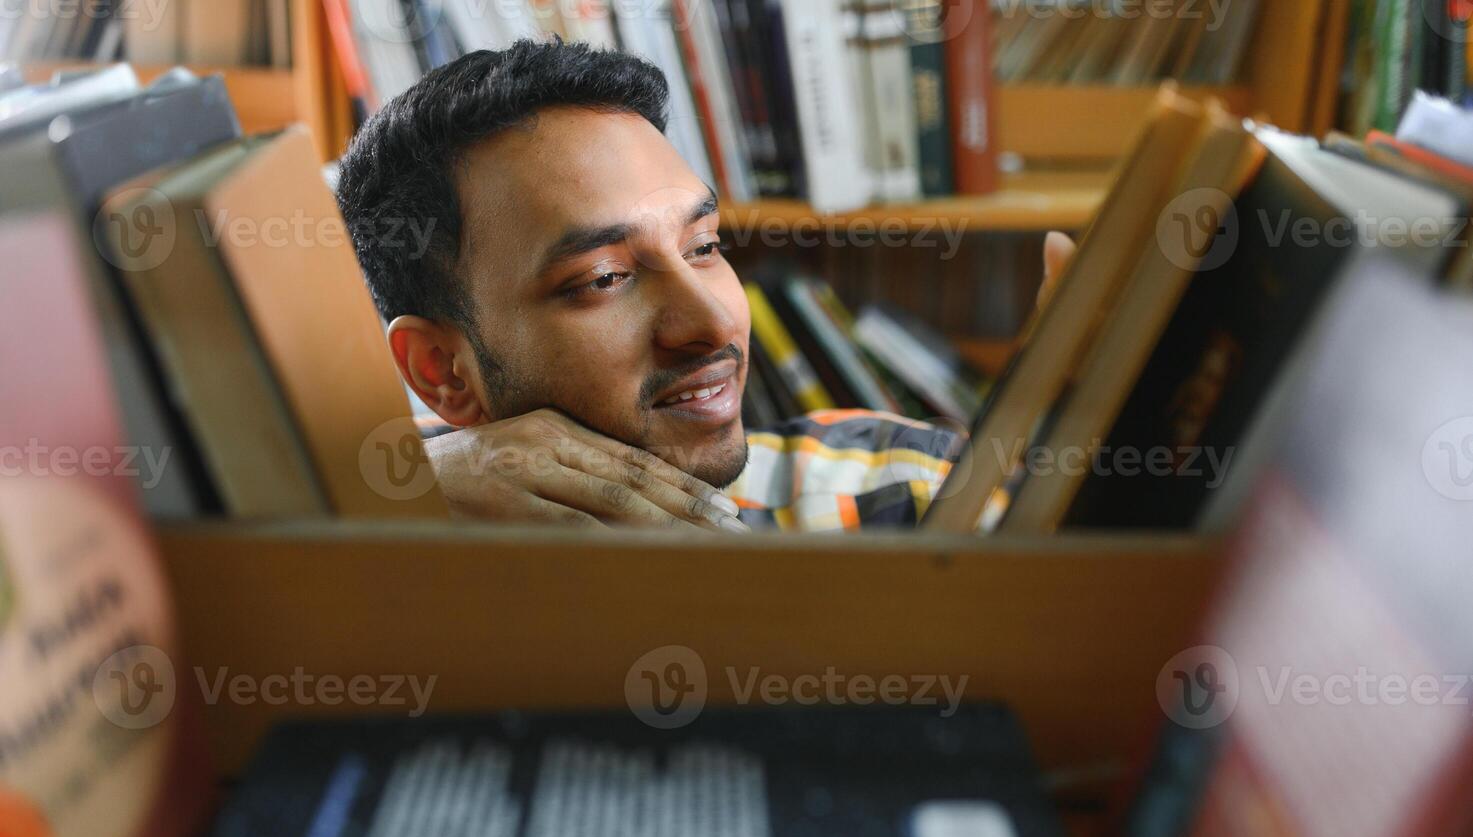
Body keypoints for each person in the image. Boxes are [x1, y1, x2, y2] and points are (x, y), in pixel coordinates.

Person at [337, 39, 1074, 532]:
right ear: (442, 371)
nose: (713, 321)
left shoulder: (911, 494)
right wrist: (395, 488)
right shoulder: (366, 562)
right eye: (603, 278)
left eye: (704, 246)